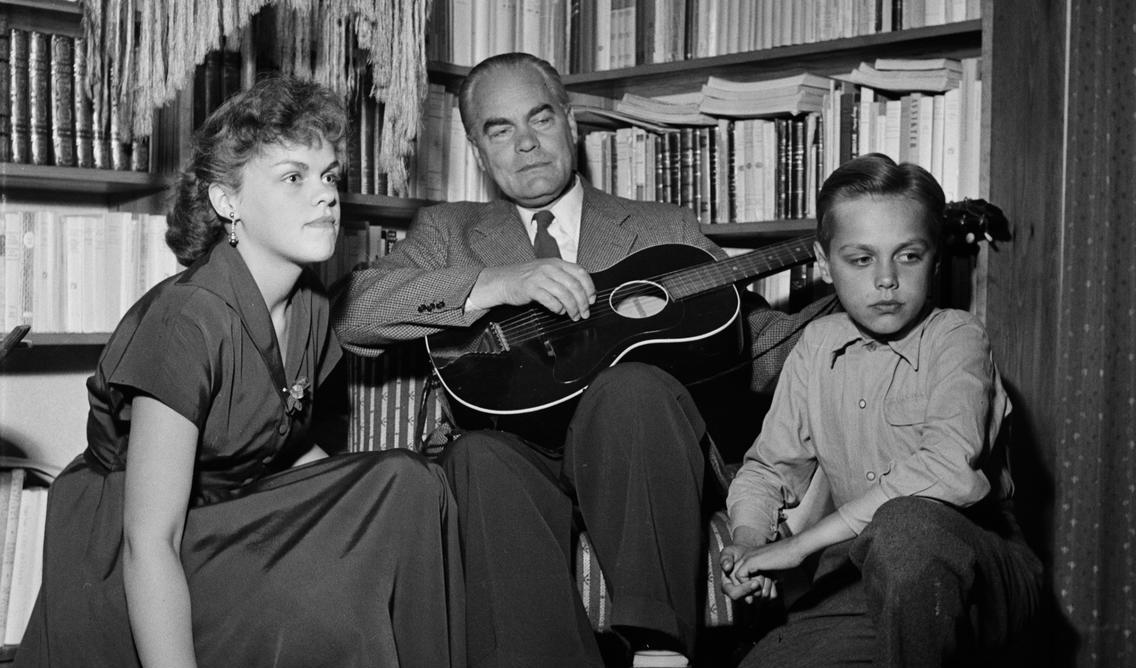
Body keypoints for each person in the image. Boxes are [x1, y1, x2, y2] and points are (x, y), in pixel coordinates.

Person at [332, 52, 838, 668]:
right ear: (477, 146)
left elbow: (754, 344)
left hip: (638, 448)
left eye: (540, 119)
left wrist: (854, 308)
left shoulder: (660, 227)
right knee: (477, 457)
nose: (526, 144)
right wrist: (495, 283)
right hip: (515, 449)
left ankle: (658, 650)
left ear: (570, 124)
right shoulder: (447, 232)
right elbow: (356, 311)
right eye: (500, 130)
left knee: (628, 389)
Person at [16, 76, 464, 668]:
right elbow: (149, 543)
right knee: (376, 522)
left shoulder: (311, 304)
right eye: (293, 177)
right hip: (134, 559)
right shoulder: (189, 320)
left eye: (329, 176)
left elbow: (280, 445)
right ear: (228, 203)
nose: (327, 195)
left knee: (410, 483)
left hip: (229, 524)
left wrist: (363, 508)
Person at [721, 153, 1044, 666]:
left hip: (978, 572)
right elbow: (767, 470)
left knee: (906, 528)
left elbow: (946, 471)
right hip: (856, 578)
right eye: (862, 258)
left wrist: (798, 547)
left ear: (936, 259)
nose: (887, 279)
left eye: (908, 256)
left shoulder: (957, 337)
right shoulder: (815, 346)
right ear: (824, 263)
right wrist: (750, 544)